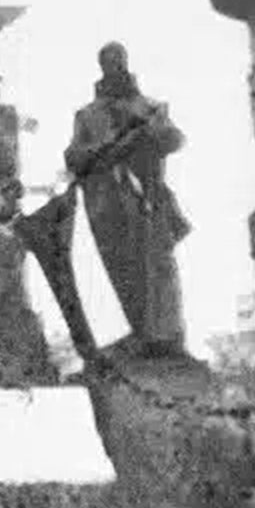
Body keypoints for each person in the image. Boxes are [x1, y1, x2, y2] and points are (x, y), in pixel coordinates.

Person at [62, 42, 189, 356]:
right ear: (101, 66)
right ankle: (135, 336)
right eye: (108, 62)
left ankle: (166, 338)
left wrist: (149, 131)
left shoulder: (150, 107)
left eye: (118, 61)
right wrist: (111, 145)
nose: (114, 67)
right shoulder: (88, 115)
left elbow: (174, 139)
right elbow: (75, 158)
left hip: (149, 200)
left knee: (159, 270)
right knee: (122, 271)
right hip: (109, 208)